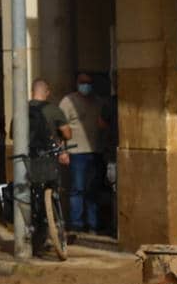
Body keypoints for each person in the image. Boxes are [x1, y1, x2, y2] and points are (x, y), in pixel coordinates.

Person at [19, 79, 70, 257]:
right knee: (52, 188)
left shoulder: (21, 109)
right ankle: (54, 223)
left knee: (31, 193)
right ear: (47, 92)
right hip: (47, 157)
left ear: (32, 91)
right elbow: (67, 132)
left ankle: (30, 231)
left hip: (28, 159)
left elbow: (13, 134)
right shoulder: (54, 110)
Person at [57, 71, 109, 236]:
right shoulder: (68, 101)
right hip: (76, 152)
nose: (86, 85)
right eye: (82, 82)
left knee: (93, 190)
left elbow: (103, 125)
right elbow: (60, 127)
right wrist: (62, 151)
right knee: (77, 190)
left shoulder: (99, 102)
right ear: (77, 83)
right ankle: (77, 225)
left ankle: (93, 224)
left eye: (88, 82)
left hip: (96, 152)